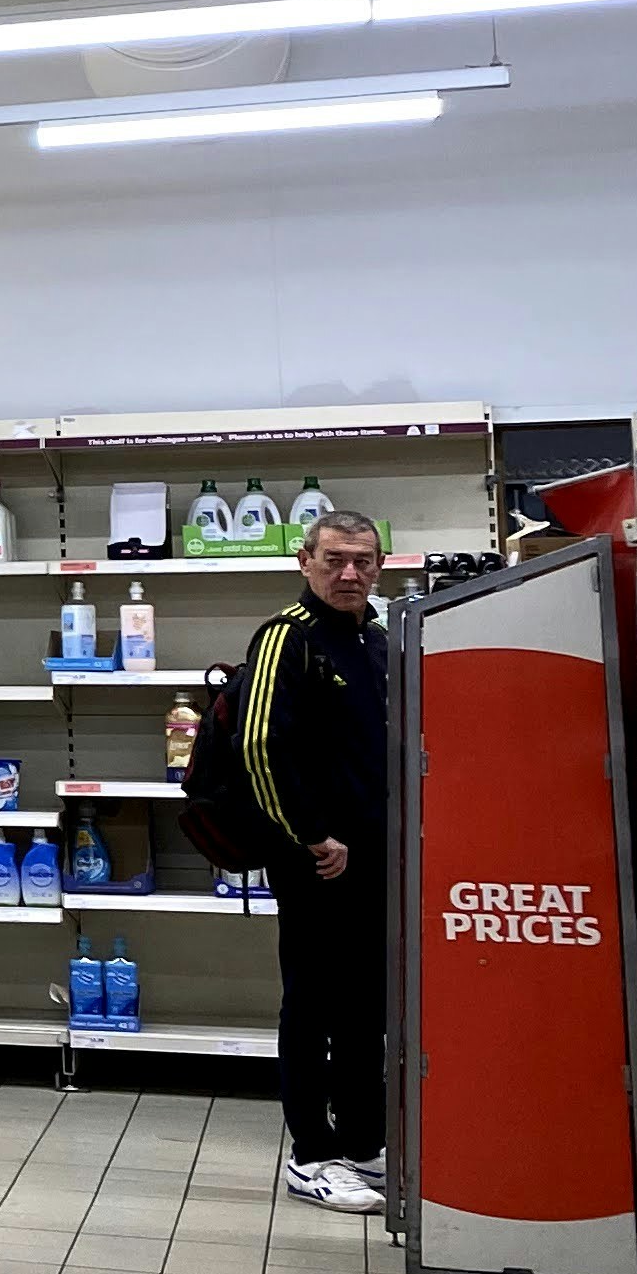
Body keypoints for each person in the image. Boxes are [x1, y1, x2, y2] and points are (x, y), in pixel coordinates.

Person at [230, 511, 392, 1212]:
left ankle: (361, 1140)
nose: (348, 572)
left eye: (361, 560)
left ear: (380, 567)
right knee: (312, 1004)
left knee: (366, 1005)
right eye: (334, 559)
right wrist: (309, 835)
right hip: (315, 859)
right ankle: (311, 1153)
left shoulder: (380, 641)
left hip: (377, 858)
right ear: (305, 561)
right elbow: (258, 745)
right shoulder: (286, 638)